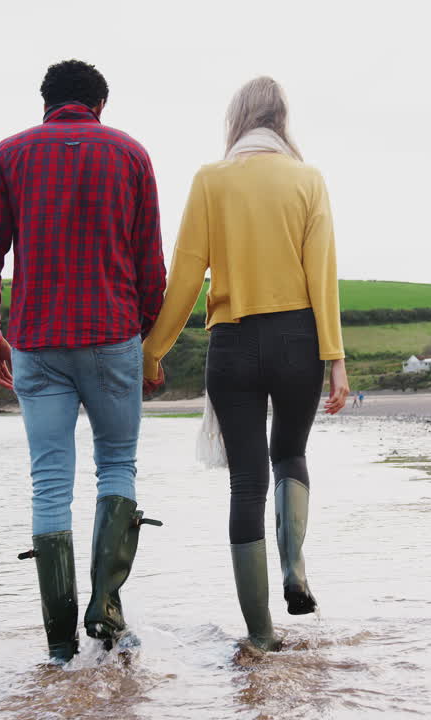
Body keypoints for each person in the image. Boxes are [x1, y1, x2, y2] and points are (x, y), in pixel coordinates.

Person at [0, 60, 166, 664]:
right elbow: (150, 262)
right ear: (100, 104)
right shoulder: (130, 154)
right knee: (117, 466)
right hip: (112, 335)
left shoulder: (9, 155)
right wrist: (148, 339)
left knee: (49, 481)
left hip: (36, 340)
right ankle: (105, 612)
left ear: (46, 101)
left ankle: (58, 644)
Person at [141, 76, 348, 651]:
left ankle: (259, 638)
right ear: (282, 121)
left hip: (232, 346)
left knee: (247, 484)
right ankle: (294, 568)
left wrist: (151, 353)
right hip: (298, 341)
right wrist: (334, 358)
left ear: (238, 120)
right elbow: (321, 275)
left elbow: (185, 276)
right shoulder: (308, 180)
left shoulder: (211, 180)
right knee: (291, 454)